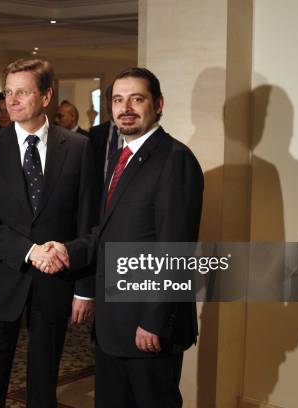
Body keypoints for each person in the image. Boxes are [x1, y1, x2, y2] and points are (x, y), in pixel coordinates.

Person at [38, 68, 204, 407]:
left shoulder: (175, 159)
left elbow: (175, 249)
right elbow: (106, 232)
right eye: (117, 100)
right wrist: (68, 250)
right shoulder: (119, 157)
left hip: (147, 327)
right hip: (113, 324)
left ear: (158, 105)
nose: (125, 108)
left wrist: (154, 321)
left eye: (137, 99)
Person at [0, 58, 97, 407]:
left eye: (22, 91)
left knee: (43, 383)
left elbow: (88, 222)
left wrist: (84, 287)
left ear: (46, 95)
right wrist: (29, 250)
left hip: (55, 282)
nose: (12, 100)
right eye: (8, 92)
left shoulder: (80, 149)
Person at [89, 85, 121, 188]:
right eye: (111, 100)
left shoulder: (135, 133)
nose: (113, 105)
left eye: (118, 100)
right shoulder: (95, 133)